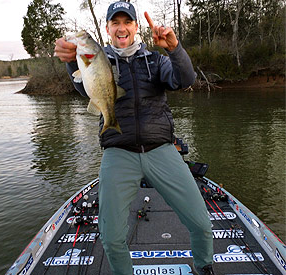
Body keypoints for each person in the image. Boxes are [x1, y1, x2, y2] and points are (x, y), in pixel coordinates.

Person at [55, 2, 215, 275]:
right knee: (111, 235)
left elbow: (185, 79)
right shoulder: (97, 57)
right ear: (107, 30)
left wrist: (173, 49)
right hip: (118, 151)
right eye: (115, 23)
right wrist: (72, 63)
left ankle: (204, 266)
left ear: (135, 27)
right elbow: (84, 90)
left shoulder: (156, 60)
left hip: (162, 150)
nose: (121, 28)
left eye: (127, 22)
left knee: (201, 223)